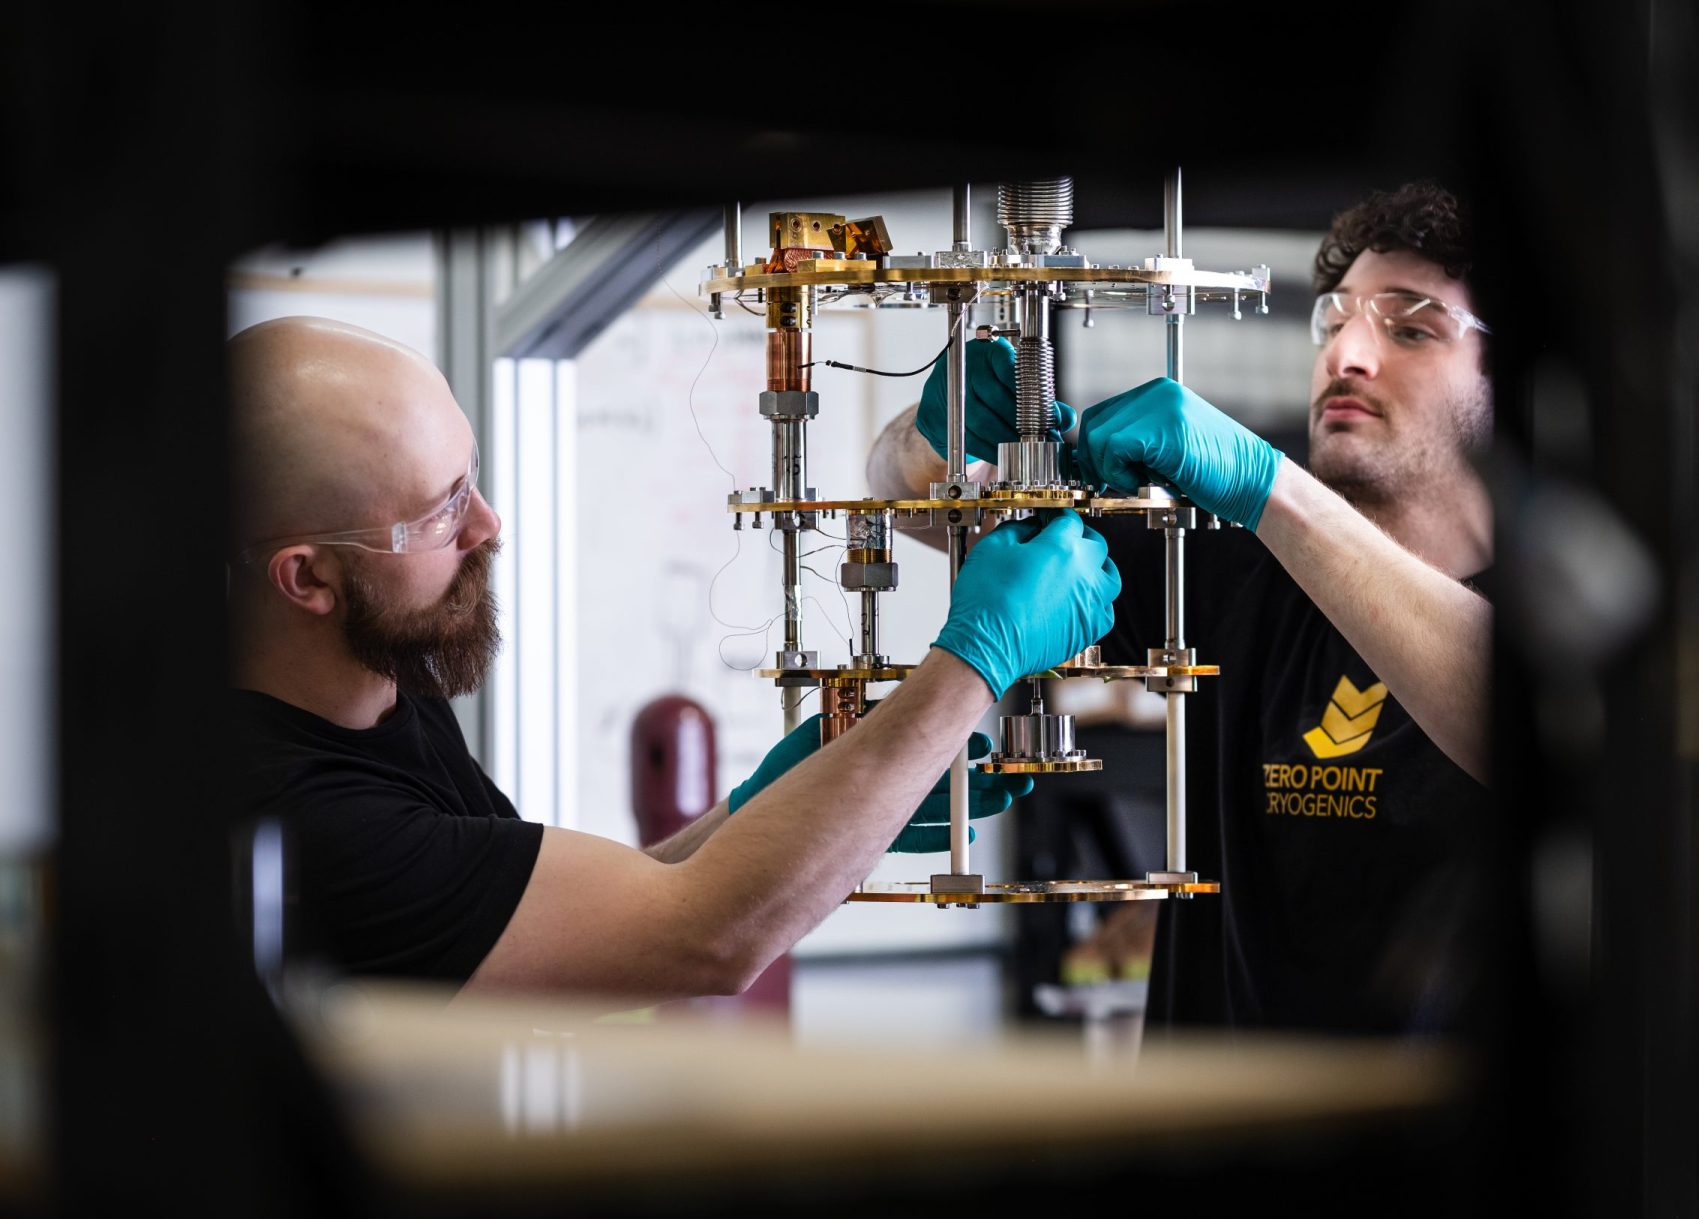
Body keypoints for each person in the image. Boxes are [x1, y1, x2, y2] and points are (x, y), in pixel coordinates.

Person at [226, 316, 1120, 1002]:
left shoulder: (378, 688)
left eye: (474, 475)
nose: (488, 526)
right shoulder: (294, 822)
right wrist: (974, 659)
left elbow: (584, 923)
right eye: (439, 509)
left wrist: (761, 807)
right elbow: (700, 938)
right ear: (307, 579)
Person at [867, 181, 1493, 1034]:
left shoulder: (1569, 618)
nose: (1347, 354)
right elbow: (907, 500)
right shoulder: (1228, 571)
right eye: (1334, 320)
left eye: (1411, 328)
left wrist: (1269, 486)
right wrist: (938, 435)